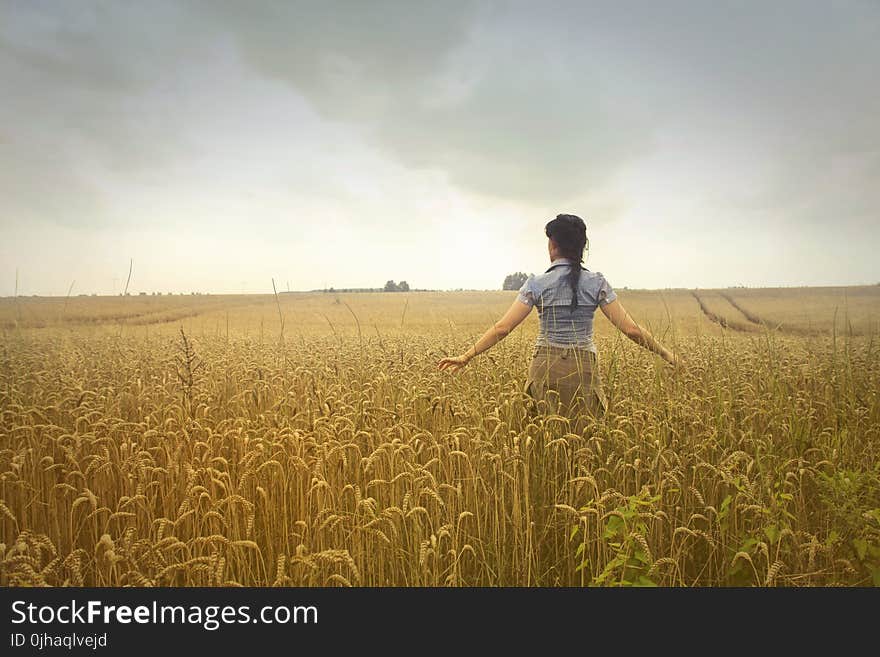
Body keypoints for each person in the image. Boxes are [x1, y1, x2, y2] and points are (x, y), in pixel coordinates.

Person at [437, 214, 678, 423]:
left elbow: (502, 328)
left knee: (544, 436)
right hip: (583, 366)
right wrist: (666, 354)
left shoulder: (536, 283)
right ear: (581, 247)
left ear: (553, 245)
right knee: (583, 438)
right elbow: (632, 330)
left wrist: (466, 356)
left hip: (545, 365)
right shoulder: (597, 282)